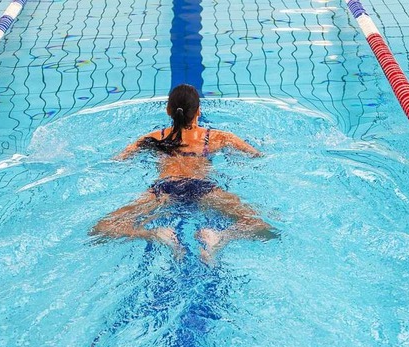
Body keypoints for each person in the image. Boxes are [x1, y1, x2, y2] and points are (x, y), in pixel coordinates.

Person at [91, 84, 277, 263]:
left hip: (163, 189)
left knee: (102, 228)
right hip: (202, 188)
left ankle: (156, 235)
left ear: (168, 110)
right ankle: (220, 236)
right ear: (198, 111)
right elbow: (257, 157)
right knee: (263, 225)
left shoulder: (153, 138)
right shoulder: (218, 137)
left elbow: (117, 161)